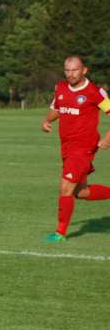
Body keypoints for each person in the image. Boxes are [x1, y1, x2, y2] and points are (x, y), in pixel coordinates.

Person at [41, 55, 110, 242]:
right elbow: (58, 108)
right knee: (81, 192)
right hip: (66, 147)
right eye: (67, 70)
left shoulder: (95, 92)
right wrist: (47, 120)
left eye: (75, 70)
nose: (71, 74)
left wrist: (107, 137)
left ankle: (60, 233)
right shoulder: (61, 88)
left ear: (84, 70)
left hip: (83, 148)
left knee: (65, 188)